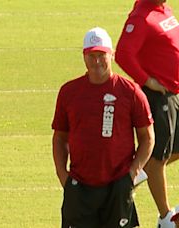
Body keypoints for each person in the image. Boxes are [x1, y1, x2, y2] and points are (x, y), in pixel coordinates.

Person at [52, 27, 155, 227]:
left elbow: (147, 137)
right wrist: (62, 174)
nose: (97, 60)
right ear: (84, 56)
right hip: (79, 187)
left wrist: (133, 172)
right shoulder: (69, 92)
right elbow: (59, 137)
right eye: (91, 55)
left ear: (112, 54)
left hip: (118, 185)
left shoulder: (131, 92)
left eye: (101, 55)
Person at [115, 0, 179, 226]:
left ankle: (139, 171)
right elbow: (123, 54)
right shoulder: (141, 16)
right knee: (159, 158)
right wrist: (147, 81)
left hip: (174, 93)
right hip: (159, 97)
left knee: (166, 154)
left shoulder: (164, 9)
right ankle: (166, 217)